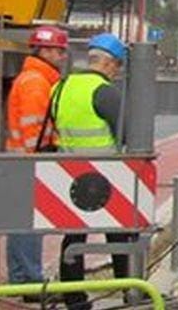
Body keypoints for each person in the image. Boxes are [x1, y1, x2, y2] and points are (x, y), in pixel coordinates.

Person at [52, 33, 137, 310]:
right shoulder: (104, 91)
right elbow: (125, 131)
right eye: (116, 67)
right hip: (106, 172)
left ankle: (73, 298)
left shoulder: (61, 87)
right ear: (110, 64)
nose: (116, 73)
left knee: (73, 236)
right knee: (119, 234)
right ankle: (128, 289)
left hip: (68, 172)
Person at [4, 26, 68, 299]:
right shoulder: (37, 82)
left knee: (21, 223)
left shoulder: (33, 78)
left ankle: (21, 279)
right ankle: (30, 281)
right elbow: (34, 127)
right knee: (30, 224)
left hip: (22, 158)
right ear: (43, 50)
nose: (62, 56)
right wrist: (42, 157)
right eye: (57, 50)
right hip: (31, 160)